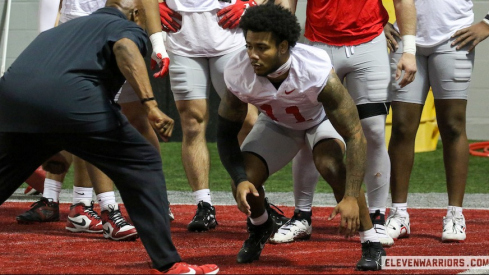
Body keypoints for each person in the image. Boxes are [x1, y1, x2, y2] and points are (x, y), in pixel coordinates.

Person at [0, 0, 218, 273]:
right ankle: (168, 262)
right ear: (137, 14)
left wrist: (49, 143)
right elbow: (125, 47)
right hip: (71, 101)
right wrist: (150, 104)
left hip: (11, 101)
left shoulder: (61, 30)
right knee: (143, 160)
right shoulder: (126, 26)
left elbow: (41, 79)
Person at [217, 5, 385, 270]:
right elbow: (225, 134)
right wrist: (238, 179)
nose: (252, 55)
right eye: (249, 46)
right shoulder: (238, 71)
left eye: (262, 47)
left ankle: (371, 242)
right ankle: (261, 226)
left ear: (284, 46)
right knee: (246, 182)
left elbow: (355, 135)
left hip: (320, 120)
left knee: (330, 165)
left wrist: (351, 196)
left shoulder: (314, 69)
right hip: (278, 124)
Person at [16, 0, 175, 241]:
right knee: (91, 119)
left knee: (109, 119)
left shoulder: (126, 23)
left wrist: (157, 43)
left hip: (114, 29)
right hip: (84, 30)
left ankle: (138, 200)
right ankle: (98, 208)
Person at [268, 0, 417, 247]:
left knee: (374, 131)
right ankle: (302, 215)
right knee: (308, 129)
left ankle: (376, 216)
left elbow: (403, 1)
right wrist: (284, 39)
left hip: (368, 43)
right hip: (317, 43)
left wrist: (409, 50)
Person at [158, 0, 289, 232]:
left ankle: (257, 200)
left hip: (229, 37)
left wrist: (252, 3)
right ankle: (203, 204)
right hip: (182, 38)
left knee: (248, 120)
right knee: (192, 123)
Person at [385, 0, 480, 243]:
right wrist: (376, 21)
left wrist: (487, 23)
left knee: (453, 126)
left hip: (454, 36)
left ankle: (455, 214)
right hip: (404, 36)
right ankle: (398, 214)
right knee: (402, 126)